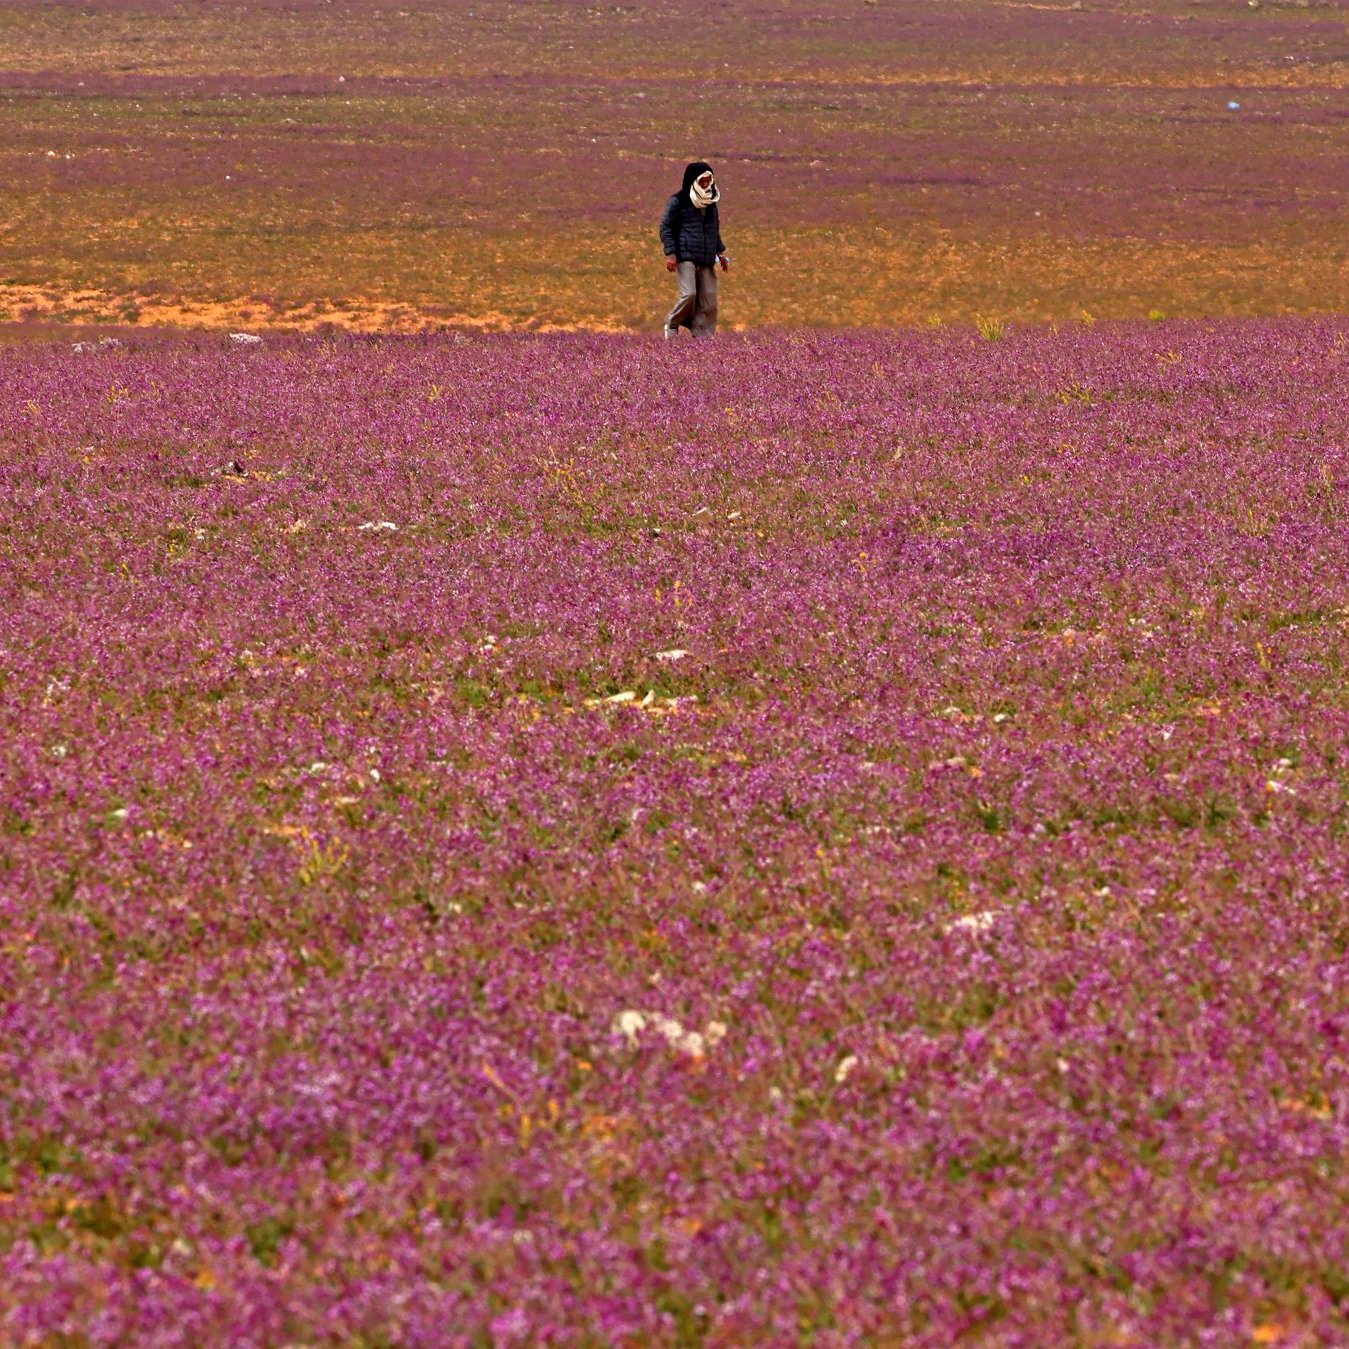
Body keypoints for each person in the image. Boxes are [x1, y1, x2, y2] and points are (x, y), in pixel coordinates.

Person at [659, 161, 729, 339]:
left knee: (709, 299)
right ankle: (672, 323)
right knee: (689, 294)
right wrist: (671, 254)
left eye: (708, 181)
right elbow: (666, 227)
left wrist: (721, 254)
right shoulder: (678, 201)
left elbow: (714, 229)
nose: (706, 185)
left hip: (706, 256)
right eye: (702, 181)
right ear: (693, 181)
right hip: (685, 255)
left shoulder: (711, 202)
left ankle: (702, 338)